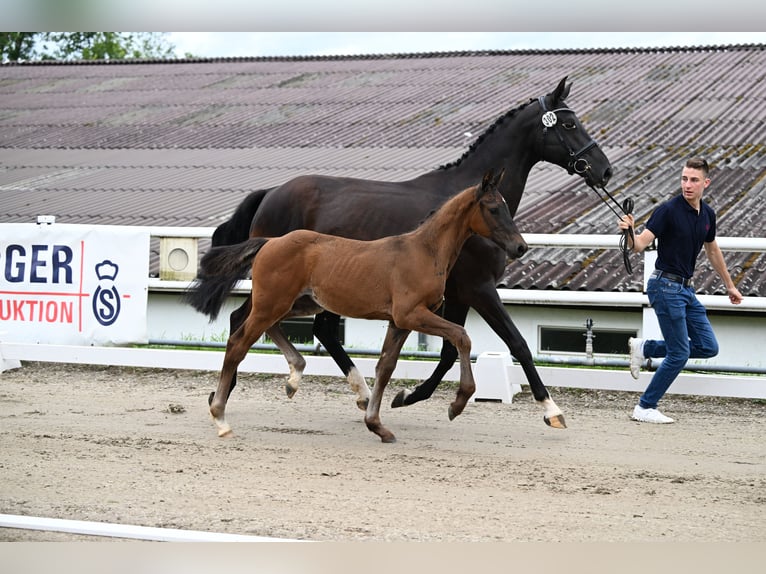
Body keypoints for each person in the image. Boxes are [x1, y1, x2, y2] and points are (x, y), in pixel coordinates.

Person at [618, 157, 743, 424]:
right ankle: (644, 407)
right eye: (684, 179)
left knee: (708, 347)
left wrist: (730, 285)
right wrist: (629, 231)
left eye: (694, 180)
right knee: (679, 353)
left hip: (686, 290)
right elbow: (638, 245)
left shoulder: (708, 214)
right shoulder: (668, 210)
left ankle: (645, 348)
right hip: (664, 286)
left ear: (706, 183)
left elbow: (712, 249)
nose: (687, 184)